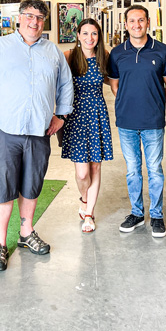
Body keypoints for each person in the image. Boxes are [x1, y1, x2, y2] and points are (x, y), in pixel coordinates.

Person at [0, 0, 73, 271]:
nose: (34, 21)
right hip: (4, 132)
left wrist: (61, 115)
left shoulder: (53, 52)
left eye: (40, 17)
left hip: (39, 132)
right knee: (2, 187)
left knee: (31, 184)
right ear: (19, 17)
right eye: (29, 15)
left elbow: (65, 85)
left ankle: (26, 234)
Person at [108, 5, 166, 238]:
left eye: (141, 20)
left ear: (148, 22)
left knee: (155, 169)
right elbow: (115, 86)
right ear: (125, 25)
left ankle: (156, 216)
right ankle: (137, 213)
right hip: (126, 122)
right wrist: (130, 103)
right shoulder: (117, 53)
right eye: (132, 21)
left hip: (153, 122)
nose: (137, 25)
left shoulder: (163, 51)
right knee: (132, 170)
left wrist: (153, 103)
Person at [61, 18, 113, 233]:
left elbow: (116, 81)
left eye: (94, 34)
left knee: (95, 166)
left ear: (98, 36)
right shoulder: (69, 57)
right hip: (75, 116)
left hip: (97, 115)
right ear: (78, 35)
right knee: (82, 173)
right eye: (85, 33)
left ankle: (89, 213)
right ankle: (84, 199)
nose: (89, 38)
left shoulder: (104, 58)